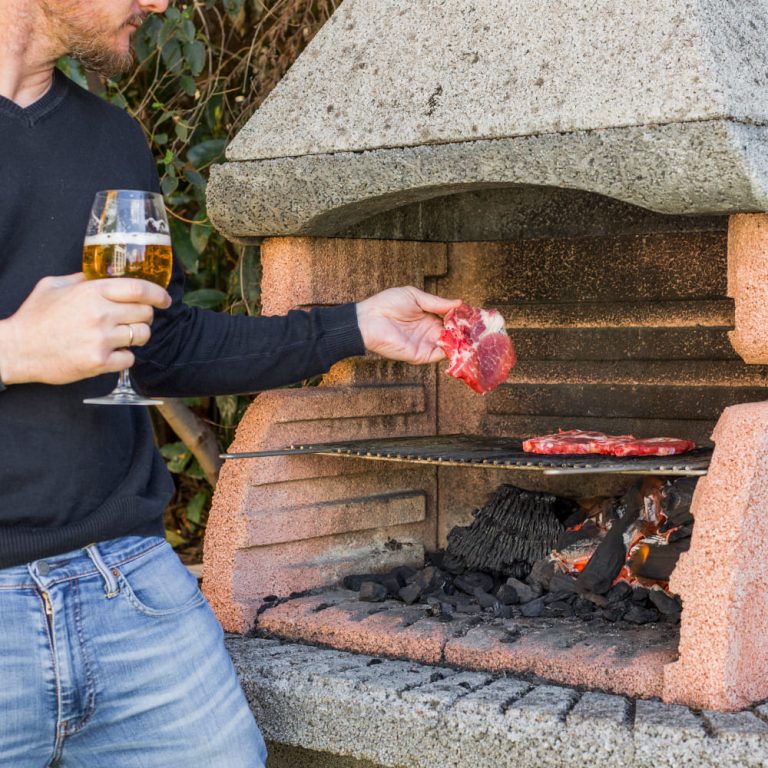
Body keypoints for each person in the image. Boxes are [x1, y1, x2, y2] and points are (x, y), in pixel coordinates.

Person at [0, 1, 461, 765]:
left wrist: (354, 327)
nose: (161, 3)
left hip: (131, 591)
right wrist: (15, 349)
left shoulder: (111, 138)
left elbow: (162, 343)